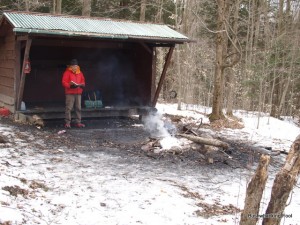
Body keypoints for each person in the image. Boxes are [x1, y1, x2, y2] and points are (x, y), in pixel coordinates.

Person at [62, 59, 86, 128]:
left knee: (78, 108)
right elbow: (64, 82)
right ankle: (67, 123)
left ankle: (78, 122)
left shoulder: (80, 73)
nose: (75, 67)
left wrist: (81, 85)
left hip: (78, 92)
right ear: (71, 66)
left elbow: (83, 81)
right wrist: (70, 86)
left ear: (77, 66)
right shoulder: (67, 72)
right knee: (69, 108)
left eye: (76, 66)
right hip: (70, 93)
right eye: (73, 66)